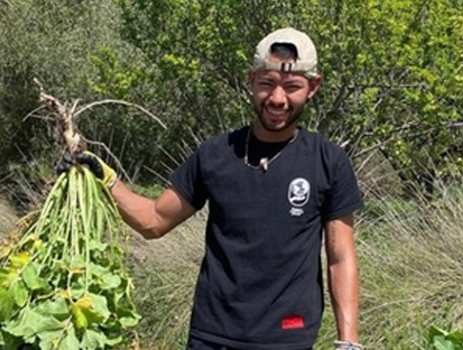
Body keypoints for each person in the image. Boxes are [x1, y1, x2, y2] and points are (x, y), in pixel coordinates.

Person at [67, 27, 364, 350]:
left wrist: (348, 342)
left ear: (313, 87)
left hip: (288, 336)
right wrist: (105, 179)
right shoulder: (216, 155)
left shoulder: (327, 160)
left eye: (292, 87)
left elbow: (340, 257)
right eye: (267, 84)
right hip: (212, 337)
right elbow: (153, 220)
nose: (277, 99)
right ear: (251, 80)